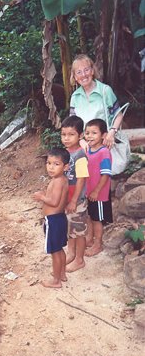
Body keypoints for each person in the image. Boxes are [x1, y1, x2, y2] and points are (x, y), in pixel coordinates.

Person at [32, 148, 70, 288]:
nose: (51, 167)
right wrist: (45, 195)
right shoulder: (62, 179)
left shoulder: (57, 181)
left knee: (55, 251)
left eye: (56, 164)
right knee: (59, 249)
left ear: (65, 166)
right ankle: (62, 274)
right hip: (60, 218)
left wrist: (41, 197)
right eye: (49, 163)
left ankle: (56, 281)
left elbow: (53, 202)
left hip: (53, 221)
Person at [69, 54, 123, 150]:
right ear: (75, 77)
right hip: (85, 146)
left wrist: (112, 132)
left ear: (92, 71)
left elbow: (119, 115)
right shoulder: (75, 97)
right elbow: (73, 124)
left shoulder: (105, 91)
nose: (84, 75)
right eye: (79, 72)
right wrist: (81, 140)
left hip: (105, 143)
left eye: (86, 70)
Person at [61, 115, 89, 273]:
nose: (66, 138)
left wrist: (73, 201)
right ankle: (71, 254)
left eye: (71, 134)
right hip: (67, 200)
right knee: (70, 228)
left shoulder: (80, 156)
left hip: (77, 201)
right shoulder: (65, 153)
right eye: (63, 134)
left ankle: (79, 260)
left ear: (80, 135)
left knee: (79, 231)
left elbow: (81, 180)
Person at [84, 118, 113, 256]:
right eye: (87, 132)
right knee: (90, 216)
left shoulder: (104, 153)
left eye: (94, 133)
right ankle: (89, 239)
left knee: (97, 219)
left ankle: (98, 244)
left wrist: (96, 191)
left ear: (103, 135)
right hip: (88, 192)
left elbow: (105, 175)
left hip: (99, 194)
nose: (89, 136)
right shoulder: (88, 150)